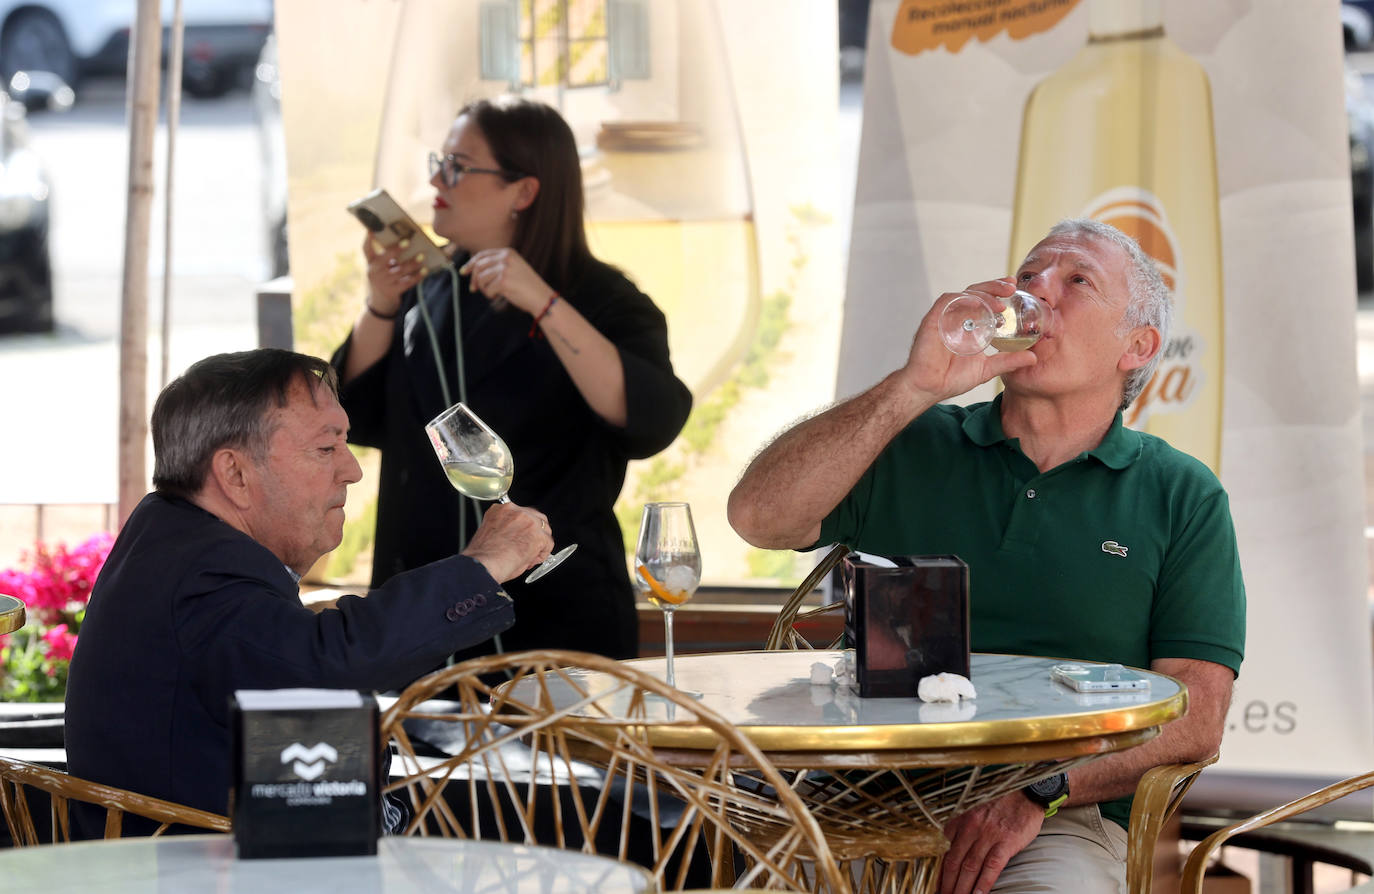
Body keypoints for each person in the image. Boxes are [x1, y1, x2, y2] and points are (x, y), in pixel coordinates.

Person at [727, 219, 1245, 894]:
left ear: (1136, 346)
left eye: (1076, 280)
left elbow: (1197, 722)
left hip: (1058, 812)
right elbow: (757, 518)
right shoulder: (914, 441)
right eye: (1029, 276)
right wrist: (913, 386)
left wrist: (1041, 792)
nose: (1036, 292)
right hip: (871, 791)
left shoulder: (1180, 493)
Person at [64, 349, 553, 833]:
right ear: (235, 474)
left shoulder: (176, 540)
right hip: (221, 871)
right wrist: (482, 567)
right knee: (562, 822)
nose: (352, 470)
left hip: (263, 837)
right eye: (327, 448)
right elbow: (328, 665)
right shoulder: (202, 577)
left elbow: (286, 663)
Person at [333, 95, 692, 661]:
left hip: (555, 610)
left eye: (456, 165)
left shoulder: (603, 298)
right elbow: (356, 413)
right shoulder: (432, 288)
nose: (435, 178)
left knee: (560, 750)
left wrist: (542, 302)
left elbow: (651, 418)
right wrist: (380, 305)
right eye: (438, 160)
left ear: (523, 192)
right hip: (425, 602)